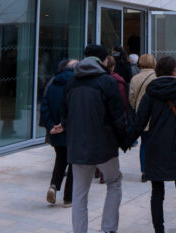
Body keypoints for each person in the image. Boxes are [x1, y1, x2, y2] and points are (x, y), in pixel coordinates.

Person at [58, 44, 128, 233]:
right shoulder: (107, 82)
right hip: (104, 146)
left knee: (79, 195)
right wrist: (124, 139)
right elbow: (118, 116)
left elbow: (64, 115)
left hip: (77, 147)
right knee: (114, 182)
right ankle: (109, 229)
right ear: (103, 60)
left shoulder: (71, 82)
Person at [130, 56, 176, 233]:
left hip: (156, 145)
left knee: (157, 190)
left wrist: (126, 140)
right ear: (174, 70)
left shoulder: (151, 93)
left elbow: (140, 121)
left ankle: (159, 229)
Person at [40, 58, 78, 207]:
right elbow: (75, 108)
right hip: (72, 130)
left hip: (55, 131)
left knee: (60, 159)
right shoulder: (76, 84)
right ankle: (68, 198)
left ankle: (54, 186)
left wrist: (51, 126)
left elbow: (44, 106)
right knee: (73, 164)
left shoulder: (52, 83)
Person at [129, 53, 157, 182]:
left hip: (142, 115)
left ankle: (145, 171)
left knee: (144, 143)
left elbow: (132, 98)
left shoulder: (135, 78)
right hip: (156, 115)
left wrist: (137, 108)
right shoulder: (157, 77)